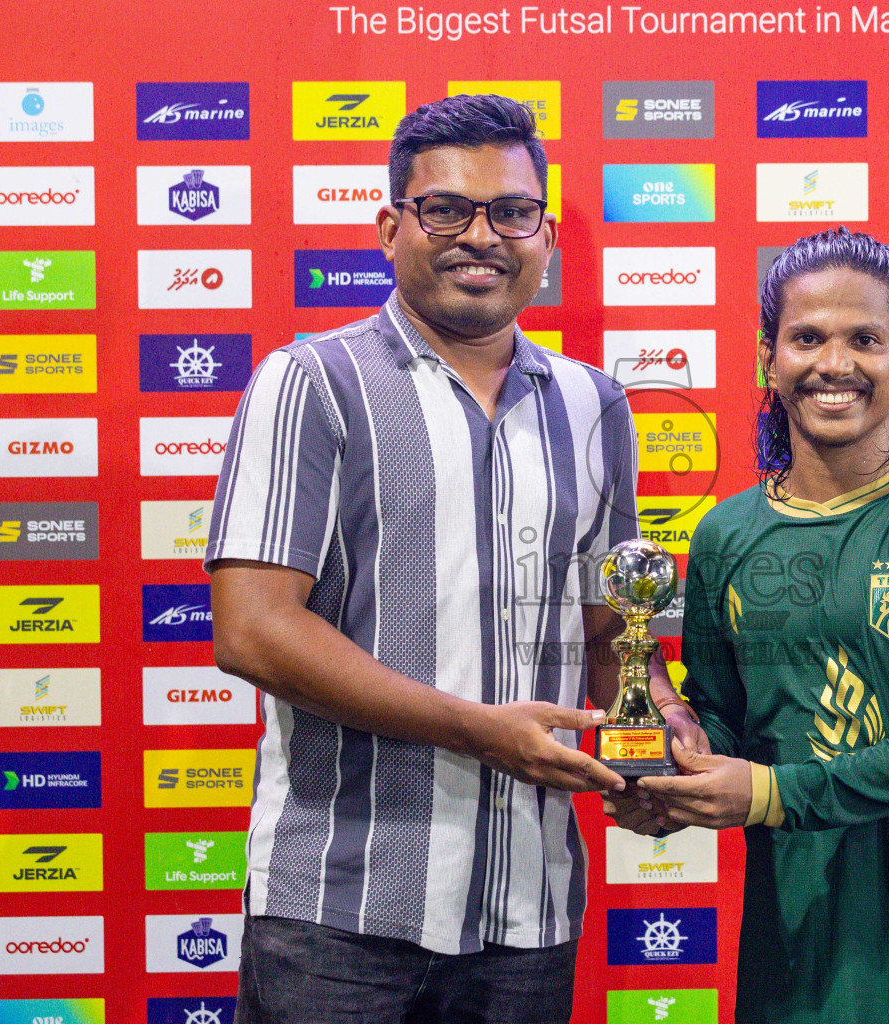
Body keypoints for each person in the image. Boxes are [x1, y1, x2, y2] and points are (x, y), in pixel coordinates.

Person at [206, 94, 691, 1024]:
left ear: (545, 236)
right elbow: (253, 631)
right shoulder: (313, 383)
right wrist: (477, 728)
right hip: (340, 912)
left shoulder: (596, 407)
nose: (482, 235)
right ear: (391, 227)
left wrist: (661, 727)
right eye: (446, 210)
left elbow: (610, 630)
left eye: (511, 211)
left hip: (528, 913)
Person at [612, 227, 889, 1024]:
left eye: (864, 339)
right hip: (789, 974)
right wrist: (669, 782)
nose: (834, 364)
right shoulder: (726, 535)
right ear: (769, 358)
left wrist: (769, 794)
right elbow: (727, 725)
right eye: (807, 338)